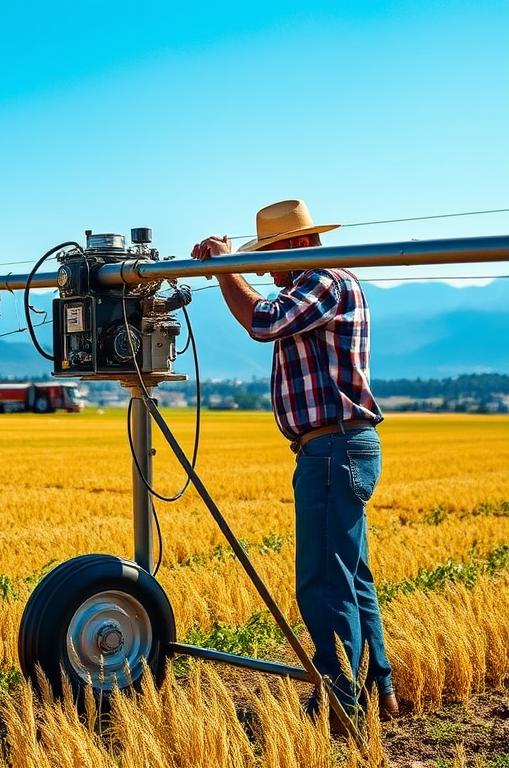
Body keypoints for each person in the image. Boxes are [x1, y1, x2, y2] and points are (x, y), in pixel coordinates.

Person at [191, 199, 399, 724]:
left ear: (300, 245)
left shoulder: (323, 280)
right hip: (338, 446)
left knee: (323, 580)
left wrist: (225, 268)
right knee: (352, 576)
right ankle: (379, 686)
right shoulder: (317, 284)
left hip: (332, 449)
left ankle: (337, 702)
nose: (266, 269)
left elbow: (263, 321)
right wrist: (230, 269)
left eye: (270, 255)